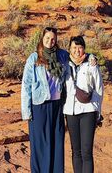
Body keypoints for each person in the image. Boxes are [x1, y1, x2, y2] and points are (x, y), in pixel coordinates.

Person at [21, 27, 69, 173]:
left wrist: (92, 57)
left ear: (56, 40)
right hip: (39, 106)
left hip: (57, 106)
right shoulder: (34, 58)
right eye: (47, 38)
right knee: (40, 144)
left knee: (57, 141)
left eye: (53, 39)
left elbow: (77, 55)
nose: (50, 41)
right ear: (42, 39)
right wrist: (26, 112)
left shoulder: (62, 55)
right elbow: (26, 84)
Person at [63, 36, 104, 173]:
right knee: (76, 151)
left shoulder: (91, 64)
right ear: (69, 49)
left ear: (84, 49)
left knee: (86, 152)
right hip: (71, 111)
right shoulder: (64, 64)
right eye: (74, 47)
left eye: (80, 47)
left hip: (88, 110)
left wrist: (98, 112)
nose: (77, 51)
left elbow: (98, 88)